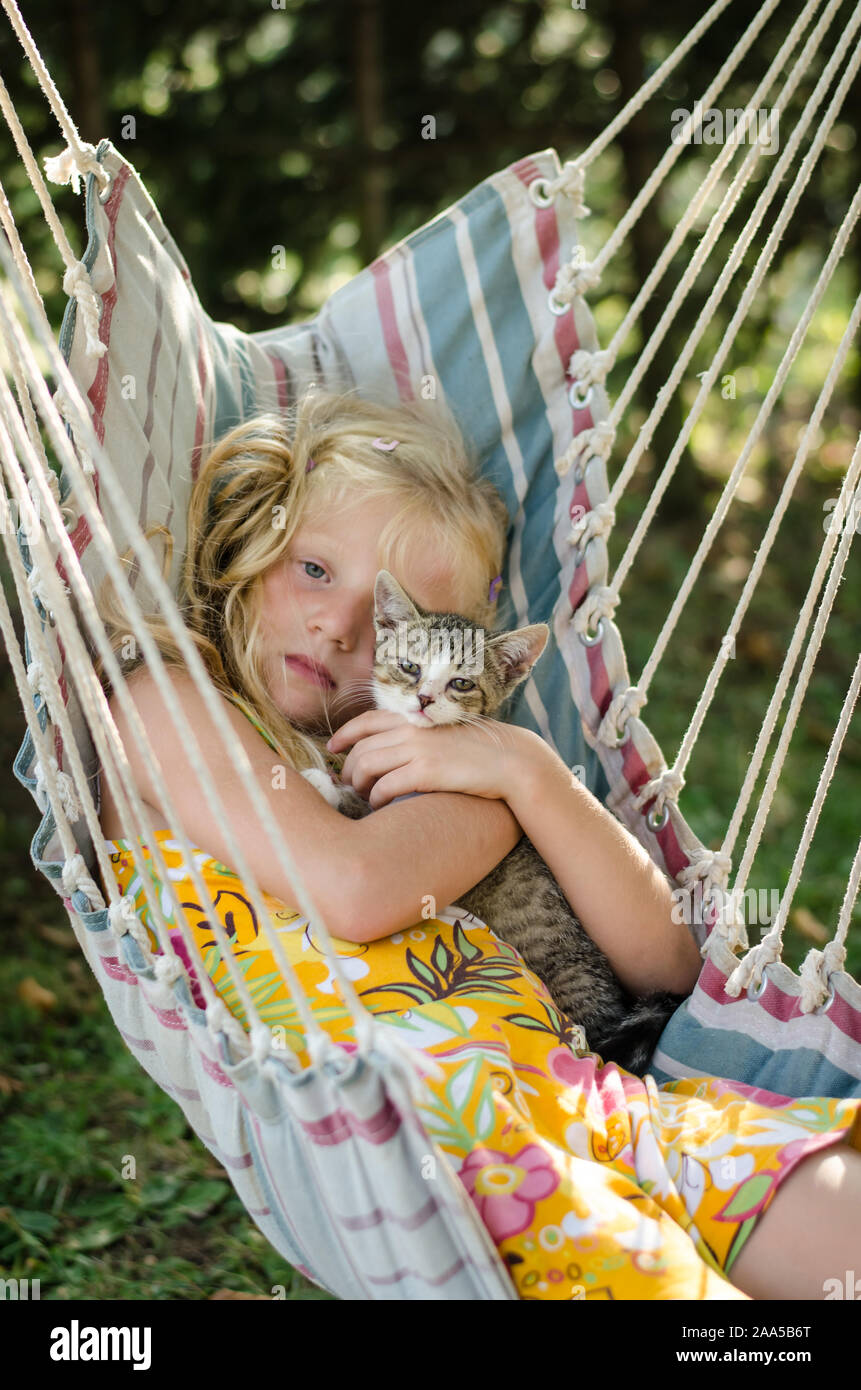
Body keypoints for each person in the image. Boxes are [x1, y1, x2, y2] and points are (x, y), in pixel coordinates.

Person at [95, 384, 861, 1302]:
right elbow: (354, 888)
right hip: (439, 1125)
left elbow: (666, 962)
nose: (339, 626)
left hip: (602, 1099)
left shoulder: (453, 757)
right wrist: (499, 799)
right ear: (254, 535)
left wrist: (530, 770)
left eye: (393, 620)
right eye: (312, 569)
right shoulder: (170, 706)